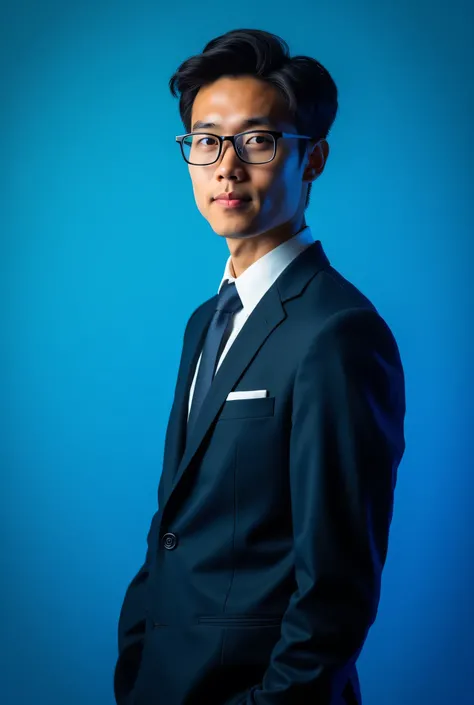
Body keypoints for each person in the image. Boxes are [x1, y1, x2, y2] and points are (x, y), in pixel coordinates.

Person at [113, 28, 406, 705]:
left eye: (258, 139)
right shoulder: (204, 320)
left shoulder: (339, 332)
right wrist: (135, 662)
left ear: (314, 160)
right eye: (206, 140)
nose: (227, 167)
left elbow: (336, 591)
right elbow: (176, 523)